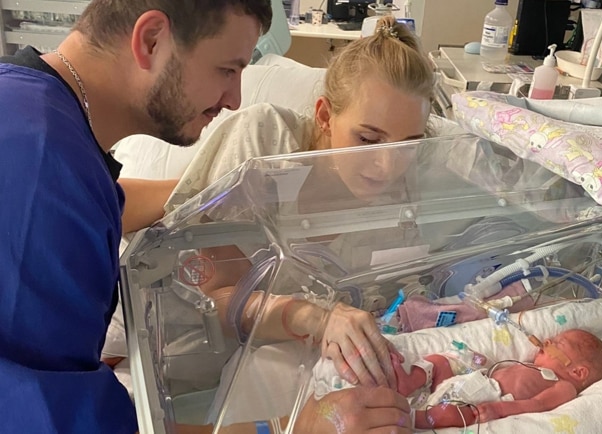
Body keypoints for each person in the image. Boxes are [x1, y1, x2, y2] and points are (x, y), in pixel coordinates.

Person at [0, 1, 410, 433]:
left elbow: (103, 203)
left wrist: (218, 190)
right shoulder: (42, 166)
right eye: (227, 70)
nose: (234, 100)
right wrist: (290, 427)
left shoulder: (32, 114)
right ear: (151, 40)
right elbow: (63, 421)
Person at [105, 15, 436, 433]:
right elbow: (215, 298)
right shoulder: (266, 148)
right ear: (324, 116)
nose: (387, 166)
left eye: (408, 145)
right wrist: (313, 317)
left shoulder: (405, 190)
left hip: (286, 365)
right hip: (181, 353)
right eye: (367, 140)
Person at [389, 328, 602, 429]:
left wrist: (500, 409)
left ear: (578, 372)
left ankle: (410, 419)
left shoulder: (564, 386)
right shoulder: (529, 365)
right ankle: (409, 383)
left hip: (482, 399)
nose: (547, 341)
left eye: (557, 344)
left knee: (452, 413)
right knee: (444, 360)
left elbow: (536, 405)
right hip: (471, 381)